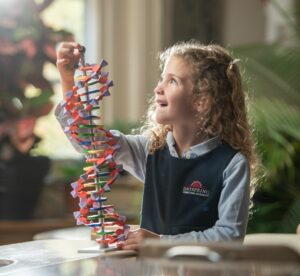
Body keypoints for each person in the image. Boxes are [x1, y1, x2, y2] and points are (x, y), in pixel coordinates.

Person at [56, 41, 260, 250]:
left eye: (172, 81)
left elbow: (229, 236)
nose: (158, 88)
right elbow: (89, 141)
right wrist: (67, 80)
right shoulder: (150, 151)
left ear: (202, 101)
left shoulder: (232, 164)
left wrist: (160, 242)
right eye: (162, 78)